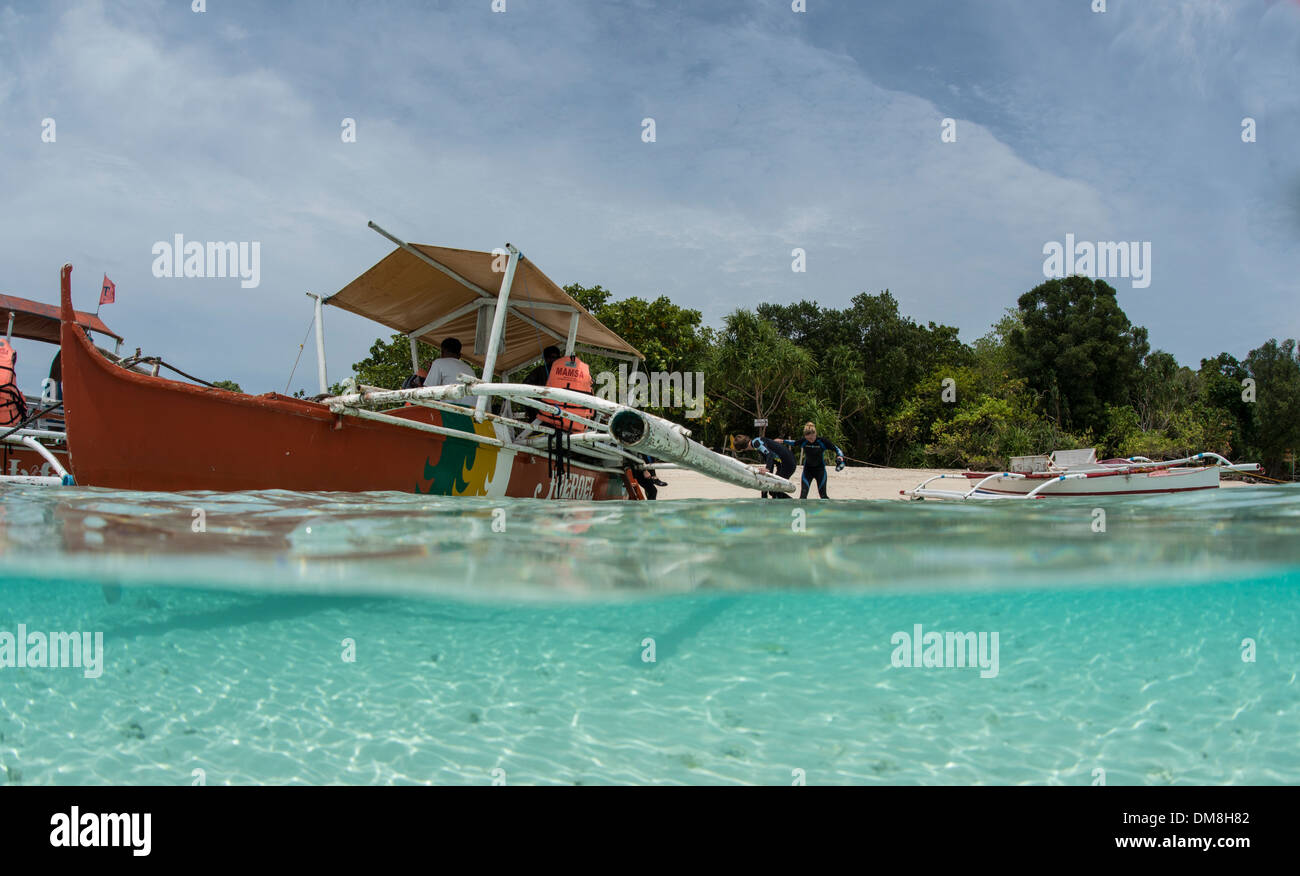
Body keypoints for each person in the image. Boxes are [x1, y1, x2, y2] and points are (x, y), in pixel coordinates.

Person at [782, 422, 844, 499]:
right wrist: (782, 441)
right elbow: (794, 443)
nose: (810, 440)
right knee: (803, 496)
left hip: (820, 471)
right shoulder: (804, 441)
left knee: (823, 496)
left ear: (815, 434)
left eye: (812, 438)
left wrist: (840, 457)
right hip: (807, 471)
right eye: (808, 439)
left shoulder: (822, 441)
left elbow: (837, 449)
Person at [734, 434, 796, 499]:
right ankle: (791, 502)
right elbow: (770, 462)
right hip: (783, 464)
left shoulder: (756, 443)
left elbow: (770, 455)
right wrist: (766, 476)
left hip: (788, 463)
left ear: (742, 449)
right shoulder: (756, 444)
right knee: (773, 491)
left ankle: (787, 505)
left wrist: (767, 469)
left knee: (776, 491)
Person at [423, 338, 475, 406]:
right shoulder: (469, 368)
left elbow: (428, 391)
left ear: (442, 352)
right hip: (472, 410)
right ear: (459, 355)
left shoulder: (438, 363)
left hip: (453, 410)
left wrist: (429, 373)